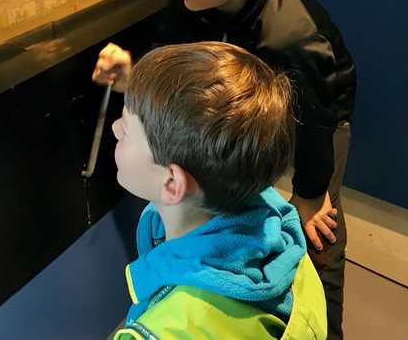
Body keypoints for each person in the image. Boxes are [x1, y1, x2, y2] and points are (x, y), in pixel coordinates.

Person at [94, 0, 356, 339]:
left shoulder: (292, 38)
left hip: (310, 115)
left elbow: (317, 119)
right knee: (225, 202)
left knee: (317, 232)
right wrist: (135, 78)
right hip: (229, 110)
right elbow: (171, 62)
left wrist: (312, 194)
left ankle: (320, 325)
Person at [109, 42, 326, 339]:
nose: (115, 129)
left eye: (127, 130)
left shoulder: (160, 333)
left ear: (172, 183)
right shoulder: (285, 243)